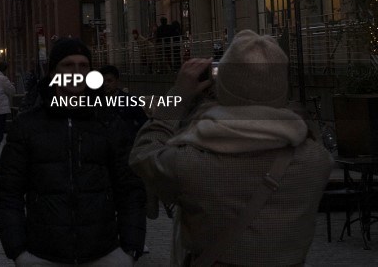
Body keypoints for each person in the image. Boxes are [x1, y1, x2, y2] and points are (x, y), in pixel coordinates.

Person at [129, 31, 332, 266]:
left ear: (223, 85)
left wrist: (178, 97)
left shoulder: (192, 162)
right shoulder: (316, 160)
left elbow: (143, 154)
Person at [0, 38, 146, 266]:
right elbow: (8, 193)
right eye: (68, 65)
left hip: (103, 253)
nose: (76, 72)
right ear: (54, 71)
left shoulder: (109, 122)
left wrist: (130, 250)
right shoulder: (27, 125)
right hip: (43, 254)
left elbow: (131, 190)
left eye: (83, 65)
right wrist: (18, 252)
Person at [100, 65, 148, 142]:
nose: (105, 84)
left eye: (109, 81)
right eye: (103, 81)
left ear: (117, 81)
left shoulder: (130, 100)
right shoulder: (97, 101)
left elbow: (144, 123)